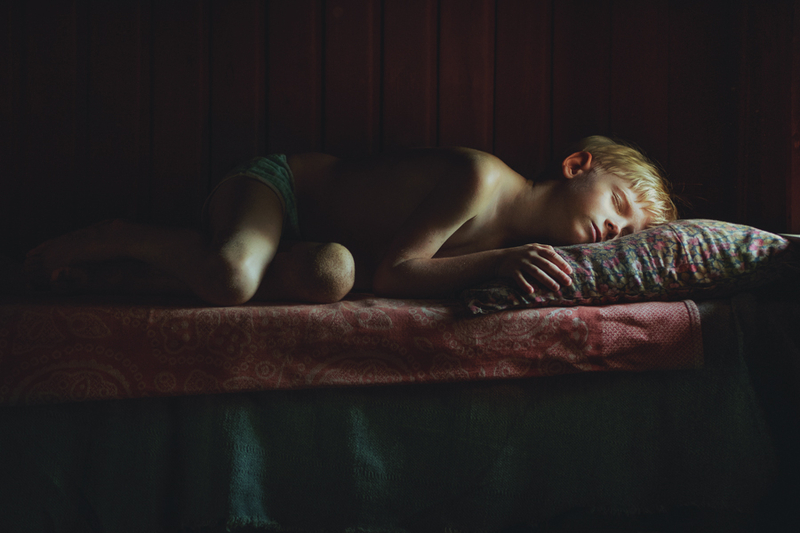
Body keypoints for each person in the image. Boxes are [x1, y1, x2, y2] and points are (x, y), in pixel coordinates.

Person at [24, 135, 677, 305]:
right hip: (279, 192)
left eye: (628, 232)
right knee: (232, 277)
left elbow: (367, 276)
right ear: (576, 165)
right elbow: (395, 275)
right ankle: (121, 236)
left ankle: (106, 278)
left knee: (332, 273)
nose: (616, 228)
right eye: (619, 203)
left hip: (318, 248)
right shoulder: (484, 179)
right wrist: (503, 263)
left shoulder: (515, 244)